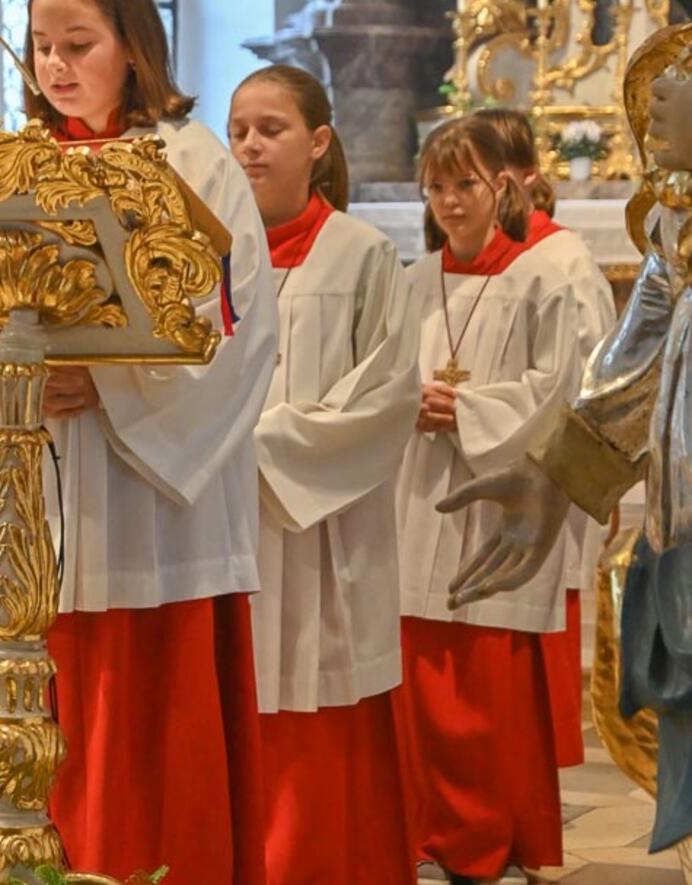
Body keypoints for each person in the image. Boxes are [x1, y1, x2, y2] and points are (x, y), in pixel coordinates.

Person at [0, 0, 278, 881]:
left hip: (150, 510)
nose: (54, 66)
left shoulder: (194, 161)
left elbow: (239, 328)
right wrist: (11, 382)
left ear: (134, 45)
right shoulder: (9, 164)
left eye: (77, 44)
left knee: (144, 727)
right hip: (37, 493)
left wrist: (113, 383)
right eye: (42, 47)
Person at [437, 23, 692, 873]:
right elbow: (632, 366)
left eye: (685, 73)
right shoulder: (672, 223)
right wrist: (555, 477)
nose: (658, 85)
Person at [227, 64, 420, 885]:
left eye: (270, 129)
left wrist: (248, 448)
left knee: (320, 709)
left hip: (324, 527)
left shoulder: (364, 254)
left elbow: (385, 394)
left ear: (318, 142)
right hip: (226, 530)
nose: (249, 146)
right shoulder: (207, 257)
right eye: (238, 130)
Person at [394, 115, 584, 884]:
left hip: (501, 500)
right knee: (425, 679)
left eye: (464, 183)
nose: (449, 201)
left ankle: (492, 840)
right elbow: (381, 372)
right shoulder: (413, 279)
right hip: (419, 493)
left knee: (486, 686)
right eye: (436, 186)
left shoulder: (540, 273)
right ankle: (429, 831)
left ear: (502, 185)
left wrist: (466, 410)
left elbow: (563, 388)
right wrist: (403, 400)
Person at [474, 107, 616, 772]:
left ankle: (529, 768)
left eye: (491, 178)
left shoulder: (563, 259)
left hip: (548, 473)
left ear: (526, 179)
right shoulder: (470, 258)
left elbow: (594, 378)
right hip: (476, 470)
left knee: (534, 623)